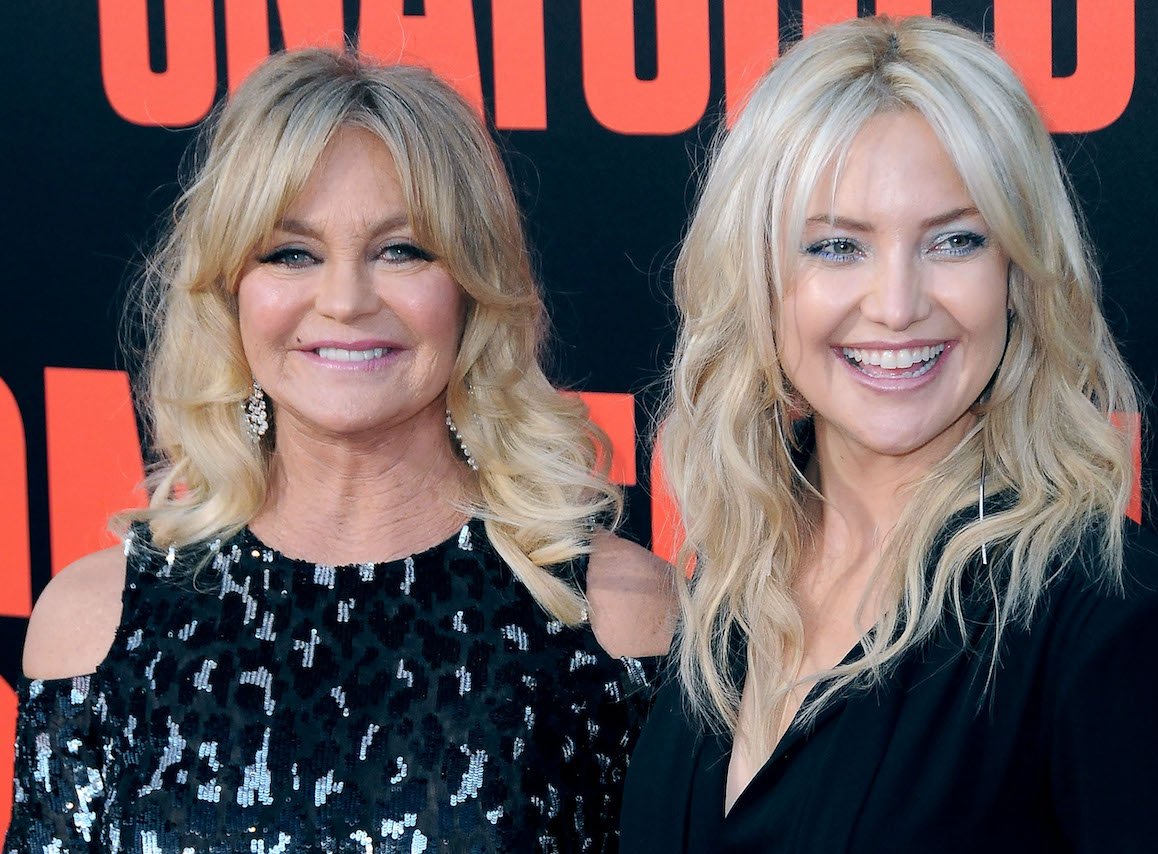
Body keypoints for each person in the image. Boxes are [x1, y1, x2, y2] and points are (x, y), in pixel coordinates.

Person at [5, 48, 672, 853]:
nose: (346, 300)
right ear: (230, 291)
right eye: (291, 253)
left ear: (471, 287)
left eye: (402, 250)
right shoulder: (96, 627)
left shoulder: (619, 620)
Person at [621, 15, 1158, 853]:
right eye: (836, 246)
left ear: (1019, 275)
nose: (897, 304)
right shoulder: (734, 588)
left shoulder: (1115, 622)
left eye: (955, 240)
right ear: (762, 279)